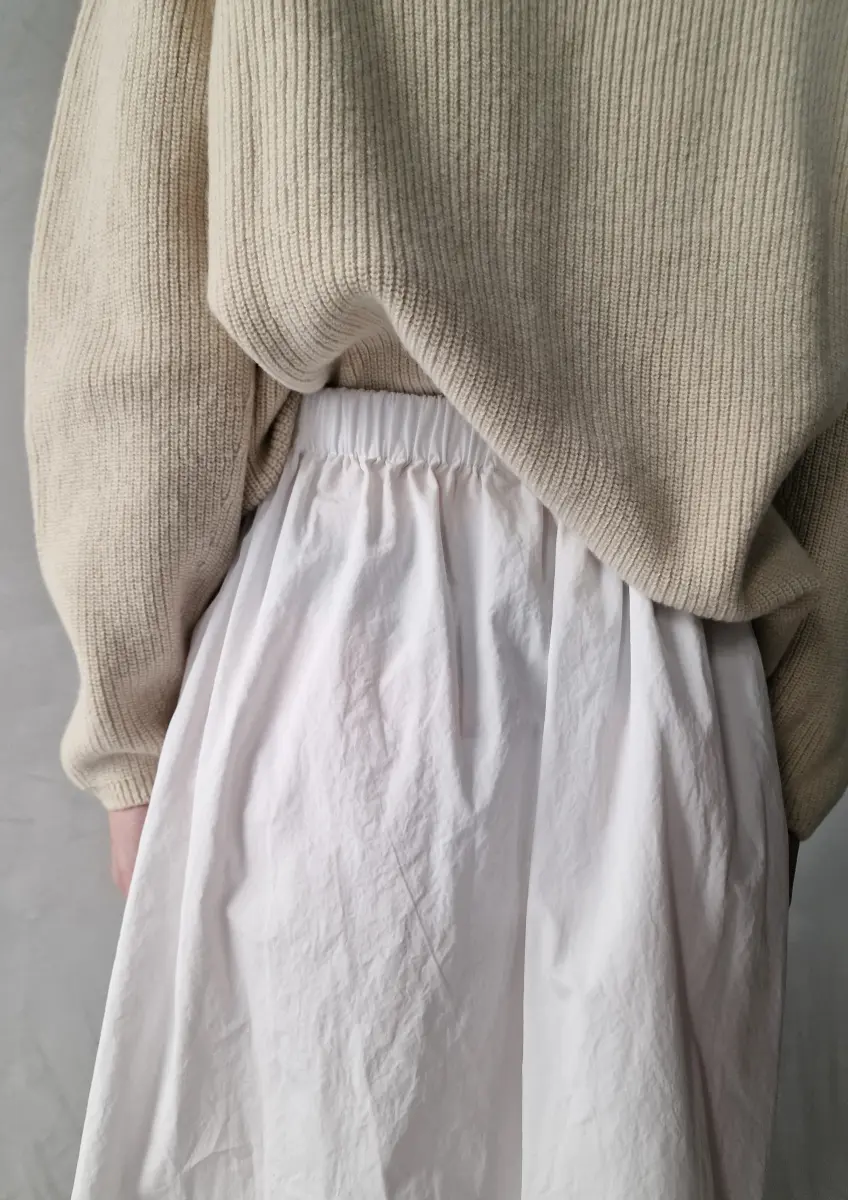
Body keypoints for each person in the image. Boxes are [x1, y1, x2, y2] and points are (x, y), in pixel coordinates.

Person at [25, 2, 846, 1197]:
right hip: (674, 663)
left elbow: (137, 241)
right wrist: (785, 759)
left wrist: (130, 708)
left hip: (345, 624)